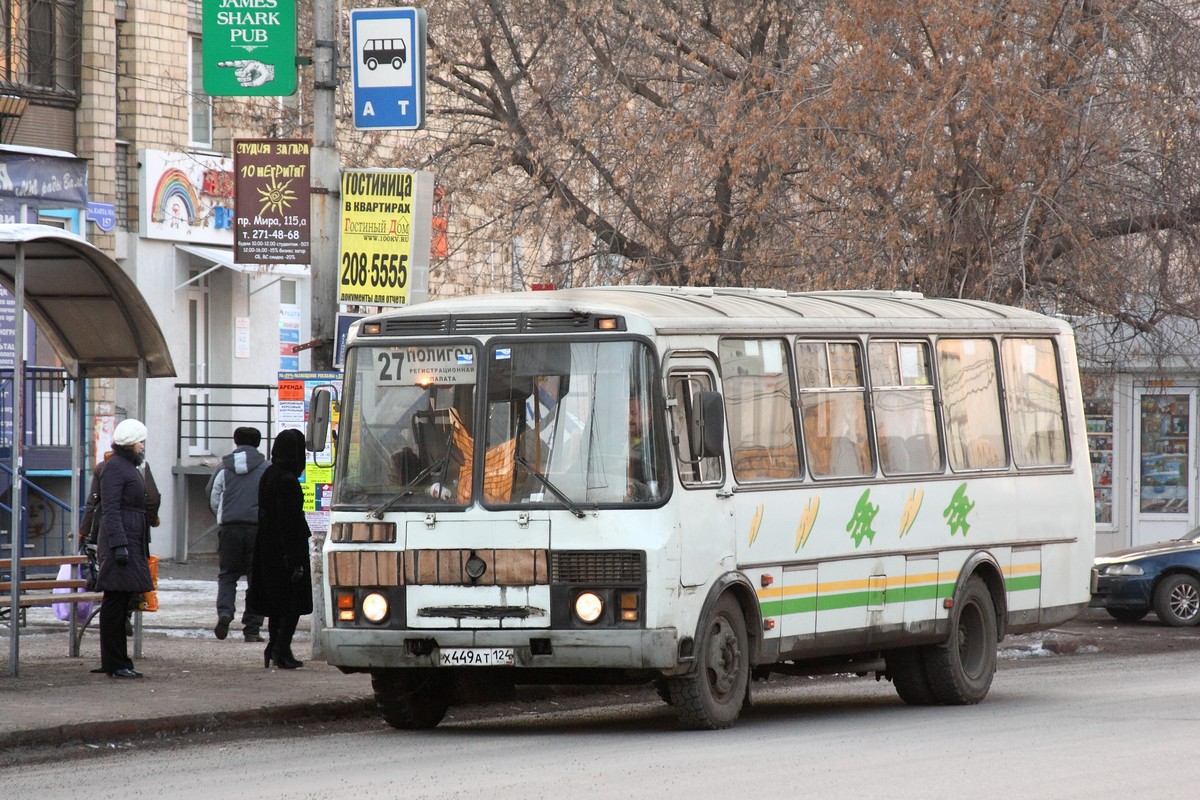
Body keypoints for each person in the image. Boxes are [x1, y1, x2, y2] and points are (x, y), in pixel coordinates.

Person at [92, 418, 155, 679]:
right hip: (122, 541)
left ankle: (120, 660)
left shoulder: (124, 466)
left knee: (120, 603)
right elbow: (111, 509)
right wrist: (119, 544)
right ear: (130, 443)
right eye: (140, 442)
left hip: (129, 539)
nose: (142, 447)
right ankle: (114, 661)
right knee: (115, 604)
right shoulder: (116, 468)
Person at [247, 429, 312, 669]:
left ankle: (274, 647)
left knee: (277, 603)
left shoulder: (269, 474)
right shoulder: (288, 481)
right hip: (286, 550)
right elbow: (289, 522)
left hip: (267, 546)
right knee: (291, 603)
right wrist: (295, 559)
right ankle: (280, 648)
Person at [80, 448, 161, 633]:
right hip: (137, 530)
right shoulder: (140, 467)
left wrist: (83, 530)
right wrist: (151, 519)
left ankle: (120, 617)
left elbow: (94, 501)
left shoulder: (103, 467)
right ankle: (126, 613)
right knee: (132, 576)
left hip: (106, 532)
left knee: (112, 576)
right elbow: (153, 498)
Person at [206, 426, 268, 642]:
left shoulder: (224, 468)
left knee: (228, 575)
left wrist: (223, 515)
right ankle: (252, 629)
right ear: (258, 443)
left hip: (230, 528)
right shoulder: (266, 468)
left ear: (235, 441)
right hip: (257, 530)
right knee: (257, 580)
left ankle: (225, 613)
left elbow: (212, 495)